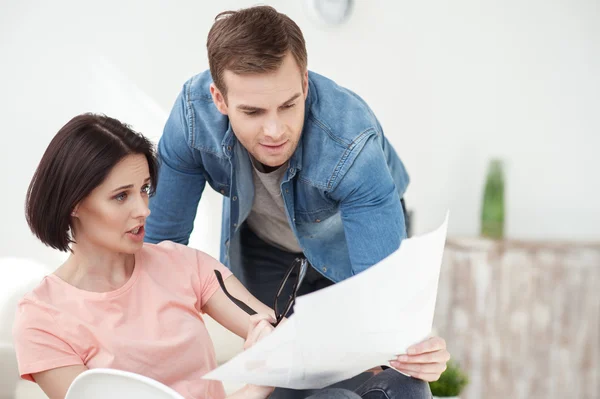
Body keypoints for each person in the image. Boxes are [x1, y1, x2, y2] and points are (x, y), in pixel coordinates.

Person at [13, 113, 432, 399]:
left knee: (400, 386)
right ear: (74, 204)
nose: (143, 210)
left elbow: (272, 331)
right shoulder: (43, 317)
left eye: (144, 190)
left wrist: (384, 349)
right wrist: (253, 388)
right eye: (121, 196)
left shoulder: (183, 265)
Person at [145, 5, 449, 398]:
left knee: (399, 379)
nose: (275, 131)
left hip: (349, 248)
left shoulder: (351, 144)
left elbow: (381, 302)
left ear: (304, 83)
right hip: (266, 251)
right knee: (282, 381)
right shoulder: (193, 119)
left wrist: (405, 352)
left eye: (288, 105)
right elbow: (162, 247)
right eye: (253, 112)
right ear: (219, 99)